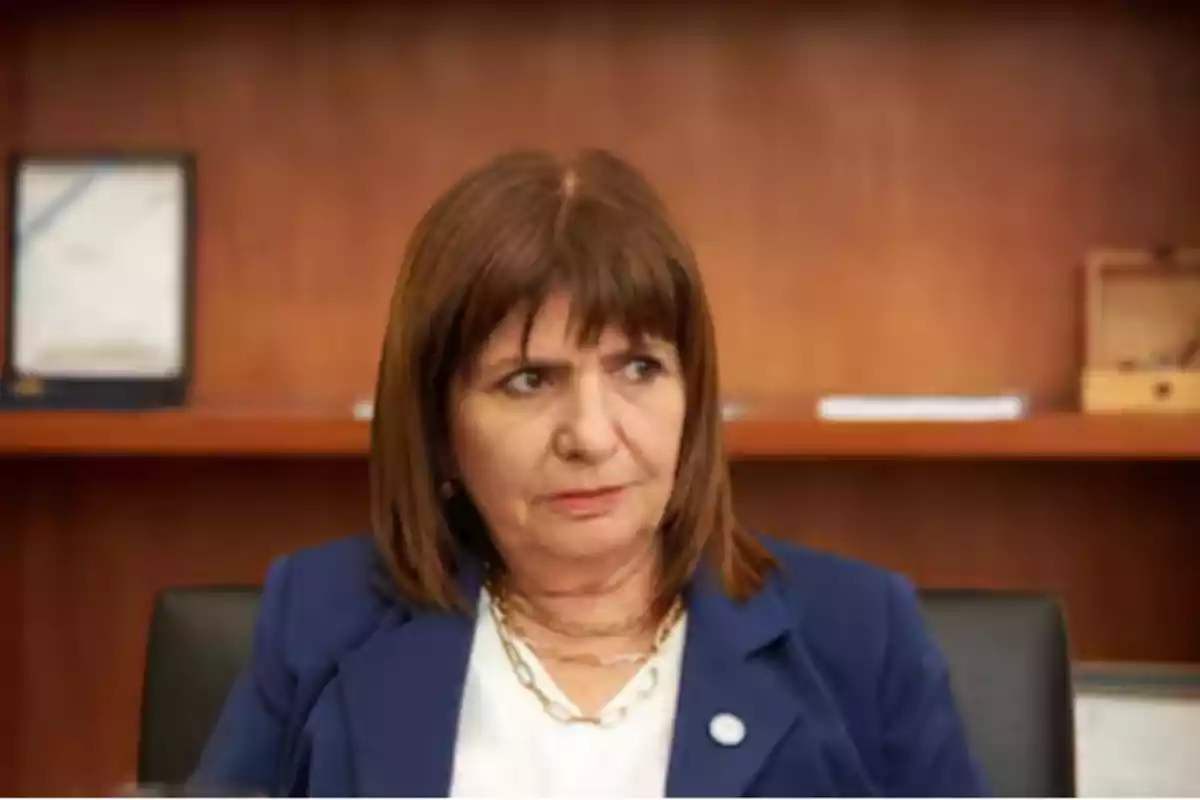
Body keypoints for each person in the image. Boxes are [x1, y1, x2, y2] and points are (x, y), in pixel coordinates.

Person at [191, 149, 988, 797]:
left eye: (638, 368)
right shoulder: (320, 618)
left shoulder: (858, 632)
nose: (592, 435)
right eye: (530, 381)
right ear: (438, 428)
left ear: (692, 395)